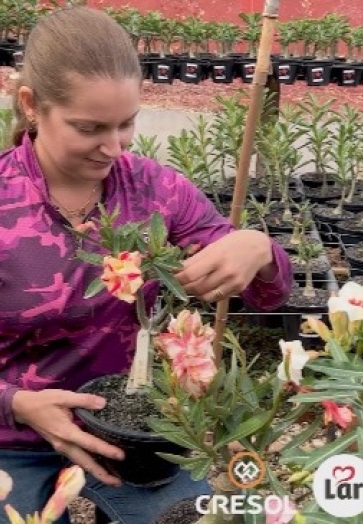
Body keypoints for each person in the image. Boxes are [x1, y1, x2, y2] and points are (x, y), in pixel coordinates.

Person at [0, 6, 292, 524]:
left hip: (132, 420)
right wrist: (16, 403)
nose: (115, 147)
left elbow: (268, 296)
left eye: (127, 123)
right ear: (32, 106)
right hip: (13, 439)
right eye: (89, 128)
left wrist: (257, 249)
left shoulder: (154, 190)